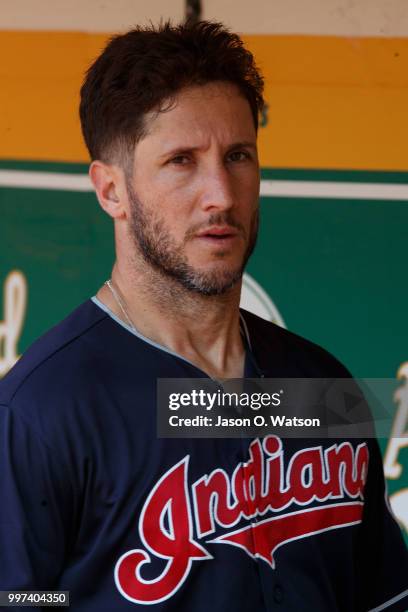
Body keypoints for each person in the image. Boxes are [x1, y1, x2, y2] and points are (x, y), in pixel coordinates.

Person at [0, 20, 407, 612]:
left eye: (238, 155)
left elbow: (381, 596)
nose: (221, 193)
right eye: (181, 160)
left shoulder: (320, 388)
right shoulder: (41, 412)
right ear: (111, 190)